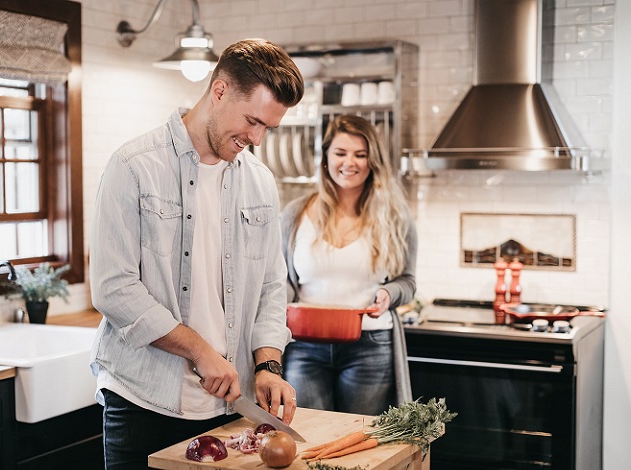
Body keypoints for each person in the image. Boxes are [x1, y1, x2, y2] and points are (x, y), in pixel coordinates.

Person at [89, 38, 305, 469]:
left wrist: (268, 365)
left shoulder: (260, 182)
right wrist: (201, 352)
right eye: (252, 121)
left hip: (228, 408)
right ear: (219, 90)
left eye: (268, 128)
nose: (257, 138)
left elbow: (270, 287)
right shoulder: (133, 166)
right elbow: (113, 289)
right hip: (143, 402)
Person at [280, 114, 417, 415]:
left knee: (360, 444)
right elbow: (282, 282)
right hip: (304, 345)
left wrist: (389, 294)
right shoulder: (295, 214)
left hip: (369, 345)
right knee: (307, 436)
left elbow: (407, 281)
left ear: (373, 161)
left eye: (360, 154)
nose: (349, 163)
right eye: (340, 153)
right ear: (326, 157)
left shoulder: (395, 217)